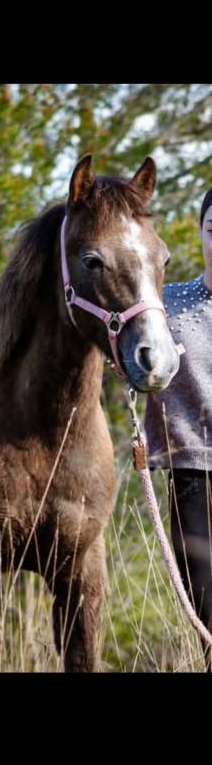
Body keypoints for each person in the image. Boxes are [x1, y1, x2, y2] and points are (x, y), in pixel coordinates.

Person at [144, 188, 212, 670]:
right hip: (192, 472)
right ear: (200, 232)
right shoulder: (167, 304)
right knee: (205, 606)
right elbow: (97, 323)